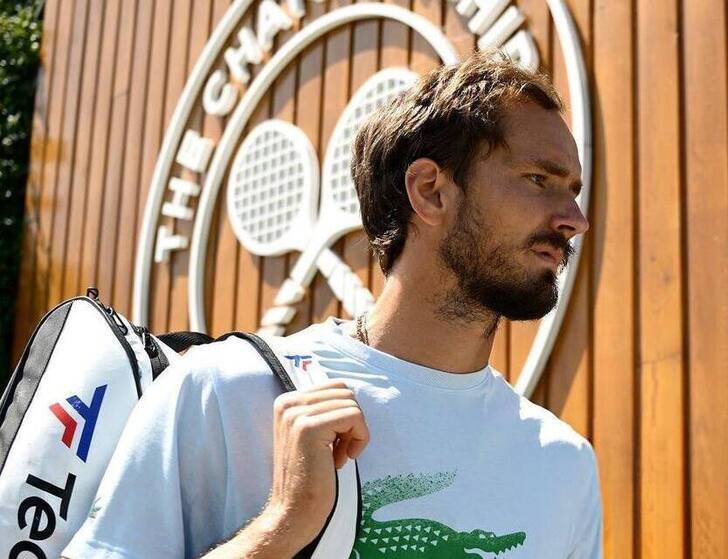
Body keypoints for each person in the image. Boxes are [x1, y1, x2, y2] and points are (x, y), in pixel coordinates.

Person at [63, 49, 601, 558]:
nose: (574, 219)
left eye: (573, 191)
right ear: (431, 191)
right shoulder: (223, 392)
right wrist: (281, 527)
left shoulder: (562, 466)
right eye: (539, 180)